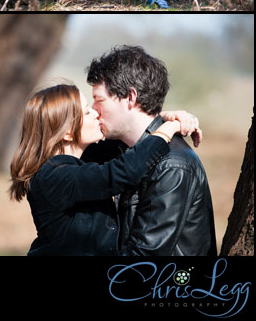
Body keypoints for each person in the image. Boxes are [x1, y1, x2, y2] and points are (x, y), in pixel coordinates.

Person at [9, 83, 199, 255]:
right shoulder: (55, 176)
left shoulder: (82, 158)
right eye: (86, 112)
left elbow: (133, 135)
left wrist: (161, 118)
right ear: (67, 132)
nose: (95, 112)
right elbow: (124, 171)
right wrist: (169, 128)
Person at [86, 45, 217, 255]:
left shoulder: (172, 164)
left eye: (99, 100)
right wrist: (166, 117)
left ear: (130, 97)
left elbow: (145, 256)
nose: (93, 110)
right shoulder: (121, 148)